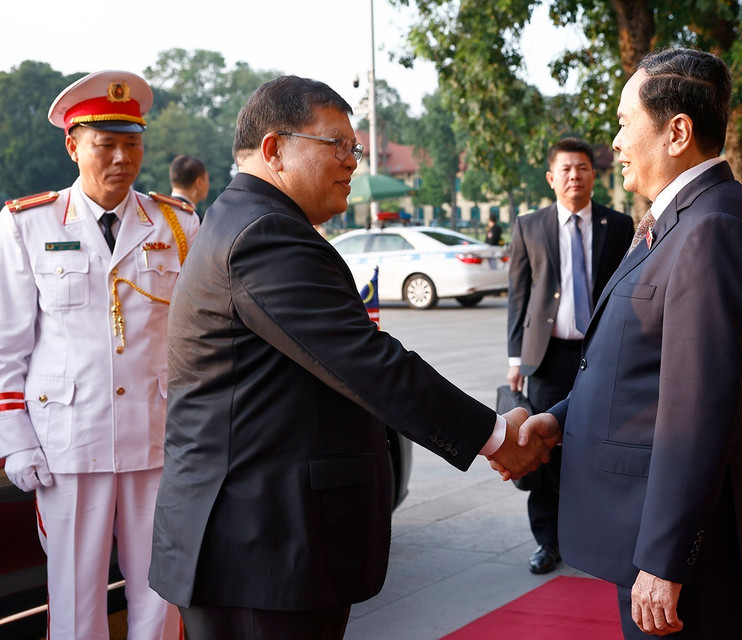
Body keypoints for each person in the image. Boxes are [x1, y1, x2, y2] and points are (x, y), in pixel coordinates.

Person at [147, 75, 550, 640]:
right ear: (274, 150)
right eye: (336, 144)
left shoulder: (246, 220)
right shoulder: (266, 234)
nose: (352, 161)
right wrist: (496, 436)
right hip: (260, 550)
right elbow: (367, 362)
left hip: (260, 544)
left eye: (355, 147)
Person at [502, 48, 742, 638]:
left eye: (626, 122)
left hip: (679, 553)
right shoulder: (678, 218)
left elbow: (699, 408)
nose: (616, 142)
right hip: (648, 531)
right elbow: (639, 365)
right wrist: (559, 419)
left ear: (676, 131)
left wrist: (664, 556)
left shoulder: (713, 227)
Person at [0, 70, 199, 640]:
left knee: (160, 596)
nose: (120, 158)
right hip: (67, 441)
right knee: (74, 597)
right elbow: (7, 345)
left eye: (131, 143)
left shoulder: (177, 224)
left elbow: (195, 338)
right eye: (104, 144)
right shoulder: (26, 225)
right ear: (73, 145)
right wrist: (14, 439)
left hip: (157, 435)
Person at [506, 137, 632, 574]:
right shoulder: (529, 226)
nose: (574, 176)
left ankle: (600, 535)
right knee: (542, 451)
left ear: (594, 175)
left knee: (599, 445)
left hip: (598, 355)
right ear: (551, 177)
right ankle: (547, 541)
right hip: (546, 356)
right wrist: (514, 359)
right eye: (566, 169)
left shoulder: (618, 225)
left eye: (582, 168)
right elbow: (518, 295)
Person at [168, 153, 210, 219]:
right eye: (207, 179)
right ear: (199, 183)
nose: (208, 185)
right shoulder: (194, 220)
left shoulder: (158, 211)